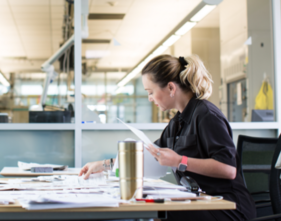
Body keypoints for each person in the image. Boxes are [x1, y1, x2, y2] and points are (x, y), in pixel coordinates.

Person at [79, 55, 256, 221]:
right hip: (200, 200)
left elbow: (228, 169)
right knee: (149, 207)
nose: (149, 98)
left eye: (150, 92)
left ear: (171, 88)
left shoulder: (206, 115)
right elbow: (148, 155)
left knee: (159, 213)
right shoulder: (177, 122)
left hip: (228, 206)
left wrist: (180, 160)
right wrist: (103, 165)